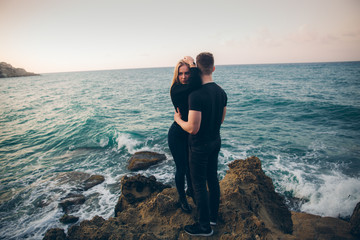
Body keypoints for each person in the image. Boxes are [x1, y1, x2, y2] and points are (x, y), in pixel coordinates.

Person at [174, 52, 227, 237]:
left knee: (198, 185)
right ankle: (213, 217)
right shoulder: (221, 92)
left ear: (196, 70)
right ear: (213, 68)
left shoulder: (196, 95)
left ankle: (205, 227)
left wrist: (178, 120)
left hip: (199, 146)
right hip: (215, 141)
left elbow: (192, 128)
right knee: (212, 180)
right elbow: (220, 120)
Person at [168, 59, 202, 213]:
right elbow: (196, 84)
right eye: (180, 73)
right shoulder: (176, 89)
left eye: (187, 73)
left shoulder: (191, 88)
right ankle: (182, 198)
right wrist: (194, 65)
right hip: (177, 135)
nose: (183, 77)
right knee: (181, 168)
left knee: (191, 167)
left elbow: (197, 84)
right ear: (177, 75)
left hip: (189, 133)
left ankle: (192, 192)